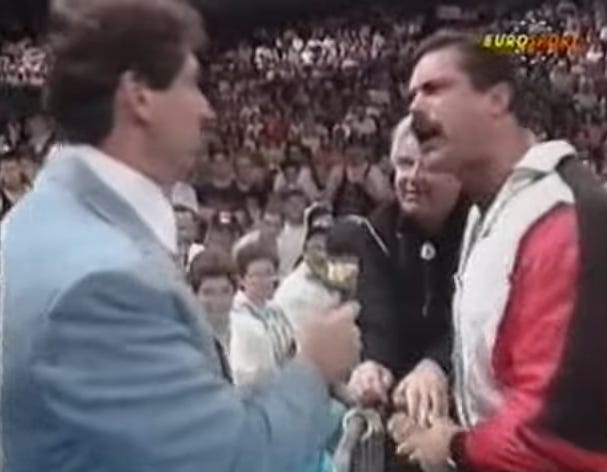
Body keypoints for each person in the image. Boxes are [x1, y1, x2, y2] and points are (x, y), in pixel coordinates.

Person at [0, 1, 361, 471]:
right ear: (140, 96)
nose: (207, 110)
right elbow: (229, 462)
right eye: (191, 83)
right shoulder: (103, 282)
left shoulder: (41, 220)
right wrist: (313, 368)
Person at [390, 30, 607, 471]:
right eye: (411, 95)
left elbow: (553, 425)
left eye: (434, 89)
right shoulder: (486, 211)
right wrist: (439, 378)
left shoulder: (560, 214)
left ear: (497, 100)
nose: (414, 110)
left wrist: (454, 445)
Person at [346, 116, 467, 472]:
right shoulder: (377, 230)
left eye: (427, 166)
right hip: (404, 405)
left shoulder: (484, 226)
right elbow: (377, 314)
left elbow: (481, 319)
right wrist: (375, 364)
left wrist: (438, 364)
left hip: (471, 402)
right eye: (404, 164)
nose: (412, 177)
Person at [188, 247, 238, 379]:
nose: (218, 300)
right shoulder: (186, 342)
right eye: (208, 293)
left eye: (225, 291)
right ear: (193, 294)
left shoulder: (249, 332)